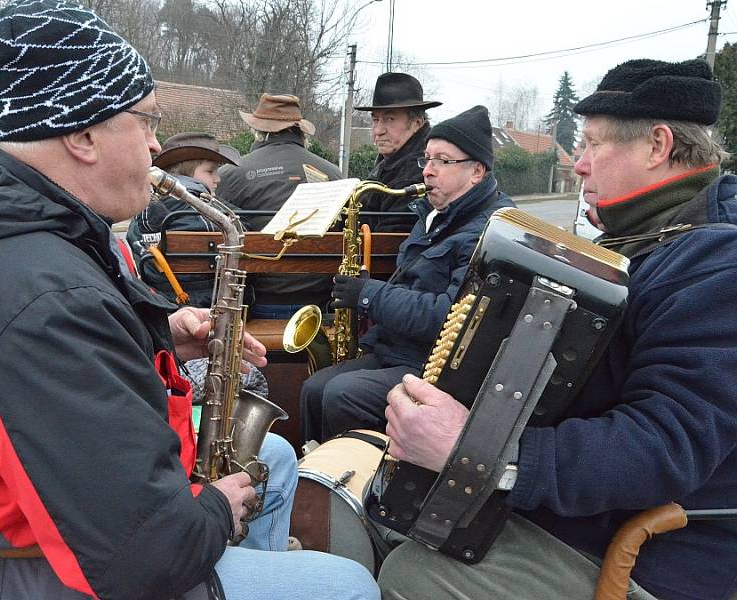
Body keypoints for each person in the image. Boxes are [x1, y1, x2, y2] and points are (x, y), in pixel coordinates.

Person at [0, 2, 380, 600]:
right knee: (347, 585)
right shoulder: (44, 299)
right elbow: (141, 560)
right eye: (145, 123)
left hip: (29, 525)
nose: (156, 145)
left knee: (270, 454)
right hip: (20, 563)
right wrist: (217, 511)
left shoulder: (10, 225)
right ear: (81, 135)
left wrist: (155, 332)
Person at [378, 59, 737, 600]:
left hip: (648, 549)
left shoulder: (717, 265)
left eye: (593, 146)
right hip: (581, 511)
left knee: (412, 575)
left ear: (658, 146)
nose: (580, 166)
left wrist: (479, 451)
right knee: (381, 513)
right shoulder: (642, 240)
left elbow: (668, 444)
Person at [300, 105, 514, 443]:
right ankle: (315, 477)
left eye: (442, 161)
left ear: (476, 171)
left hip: (433, 367)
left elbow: (447, 316)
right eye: (426, 159)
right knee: (314, 388)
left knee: (341, 393)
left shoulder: (488, 233)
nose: (428, 171)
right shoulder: (435, 213)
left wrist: (369, 295)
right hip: (397, 351)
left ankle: (359, 487)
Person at [216, 94, 343, 319]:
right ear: (301, 133)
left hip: (258, 302)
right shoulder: (333, 173)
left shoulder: (230, 173)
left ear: (259, 132)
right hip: (320, 302)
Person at [127, 131, 243, 308]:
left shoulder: (141, 208)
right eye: (210, 171)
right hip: (207, 303)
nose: (217, 178)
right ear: (187, 176)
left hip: (157, 302)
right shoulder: (207, 213)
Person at [354, 72, 441, 232]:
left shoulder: (418, 173)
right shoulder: (391, 160)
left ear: (417, 123)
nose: (378, 130)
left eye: (390, 119)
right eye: (375, 120)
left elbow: (388, 245)